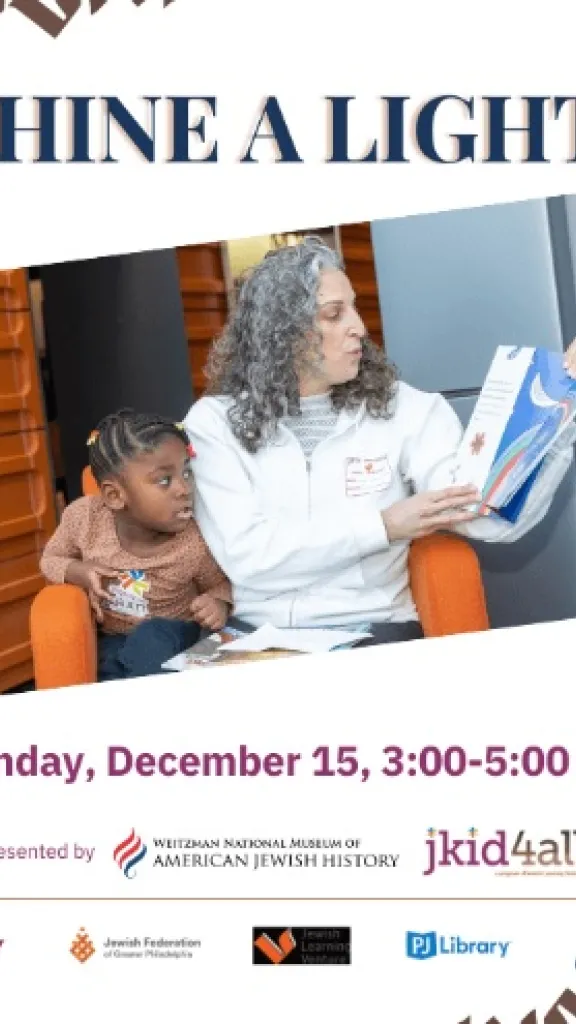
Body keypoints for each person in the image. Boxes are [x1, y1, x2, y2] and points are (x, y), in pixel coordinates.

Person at [184, 236, 576, 646]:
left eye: (353, 307)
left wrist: (561, 412)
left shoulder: (407, 409)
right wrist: (383, 526)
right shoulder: (215, 423)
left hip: (374, 629)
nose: (359, 326)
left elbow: (489, 519)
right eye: (334, 314)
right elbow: (249, 558)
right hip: (256, 640)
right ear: (282, 334)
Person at [40, 410, 232, 680]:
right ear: (115, 496)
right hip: (114, 636)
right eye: (164, 480)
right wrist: (77, 570)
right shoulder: (85, 519)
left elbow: (220, 584)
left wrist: (217, 603)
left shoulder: (193, 541)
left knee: (152, 638)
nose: (185, 489)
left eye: (187, 472)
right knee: (113, 656)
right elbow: (50, 559)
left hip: (176, 634)